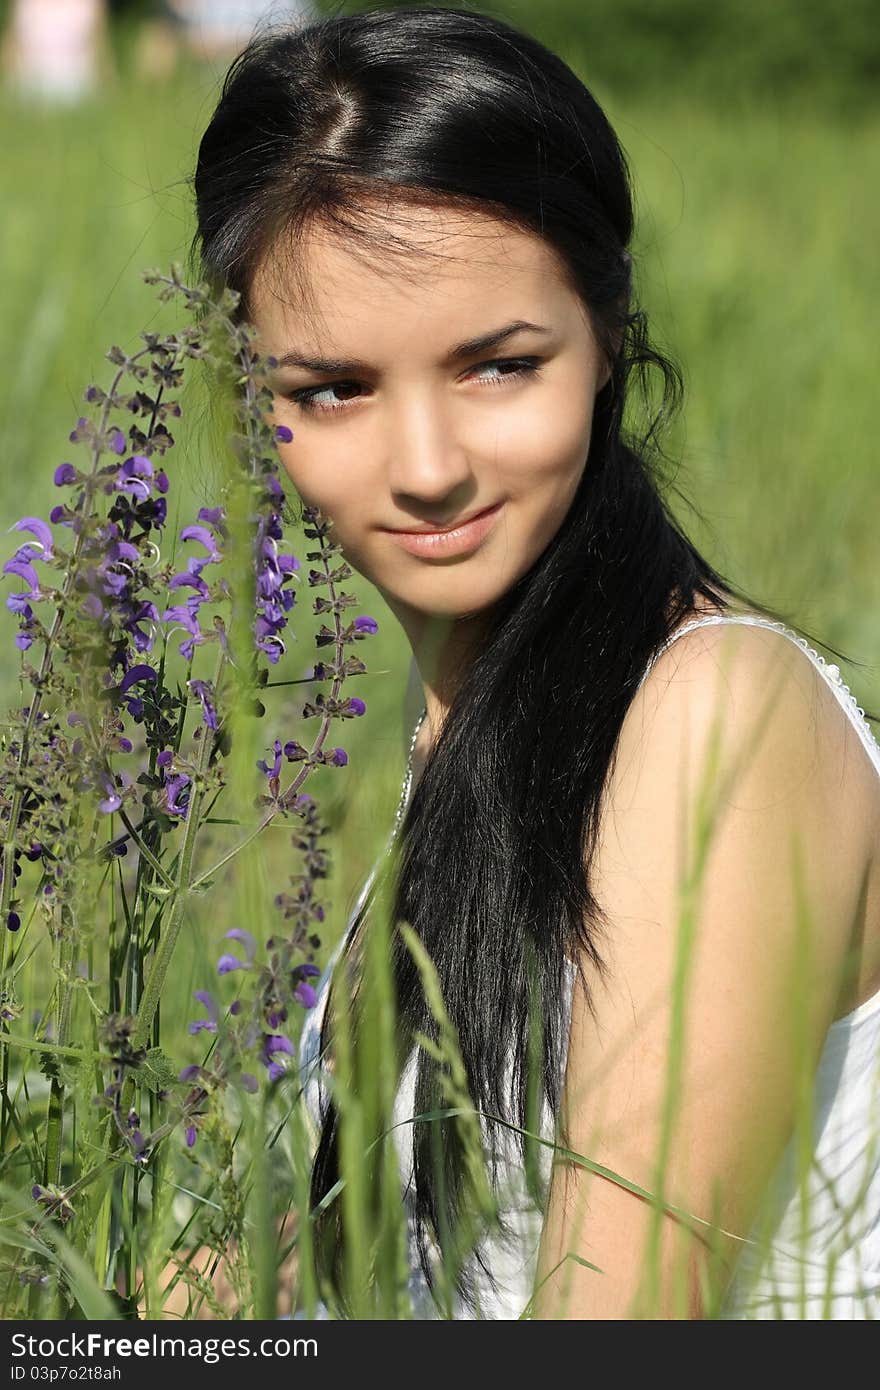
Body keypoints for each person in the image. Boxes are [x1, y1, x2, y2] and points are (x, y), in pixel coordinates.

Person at [191, 7, 880, 1318]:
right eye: (333, 388)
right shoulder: (475, 723)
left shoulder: (713, 717)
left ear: (609, 332)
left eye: (499, 366)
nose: (430, 464)